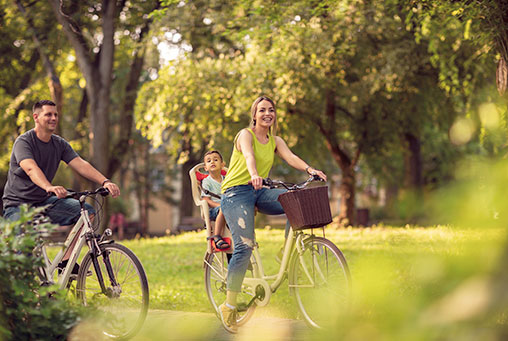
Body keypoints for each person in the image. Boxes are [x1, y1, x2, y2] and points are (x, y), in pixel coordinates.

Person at [218, 95, 326, 332]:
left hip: (258, 190)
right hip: (236, 193)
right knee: (244, 247)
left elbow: (291, 157)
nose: (267, 113)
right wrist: (254, 173)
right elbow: (249, 156)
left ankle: (283, 252)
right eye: (262, 110)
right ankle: (229, 305)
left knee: (295, 202)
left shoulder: (275, 140)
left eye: (271, 110)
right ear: (254, 115)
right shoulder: (245, 134)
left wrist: (310, 169)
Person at [2, 99, 120, 272]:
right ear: (36, 117)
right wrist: (48, 187)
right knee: (23, 256)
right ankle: (17, 296)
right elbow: (30, 168)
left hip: (43, 203)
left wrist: (105, 181)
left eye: (55, 114)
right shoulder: (24, 142)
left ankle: (66, 262)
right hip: (18, 206)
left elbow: (80, 164)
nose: (53, 118)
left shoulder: (59, 144)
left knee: (87, 212)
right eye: (48, 114)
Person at [201, 150, 230, 250]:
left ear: (222, 164)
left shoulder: (227, 180)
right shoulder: (207, 182)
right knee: (224, 208)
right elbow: (206, 200)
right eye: (209, 161)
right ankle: (217, 236)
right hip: (214, 210)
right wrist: (220, 206)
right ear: (205, 168)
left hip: (228, 207)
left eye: (215, 160)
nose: (212, 162)